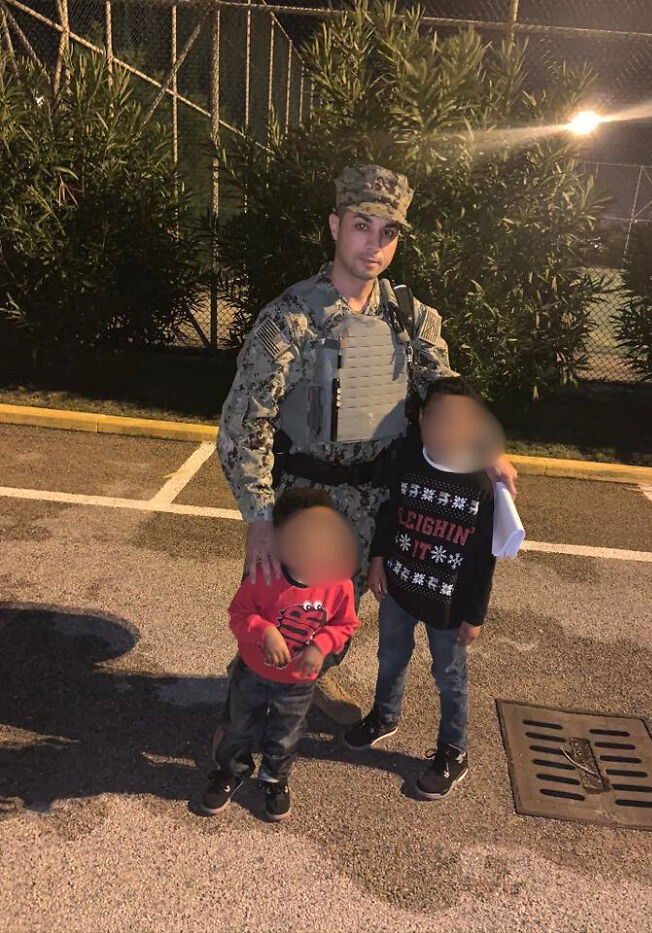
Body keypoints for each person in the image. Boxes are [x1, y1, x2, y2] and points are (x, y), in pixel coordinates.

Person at [217, 163, 517, 720]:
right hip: (301, 500)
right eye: (362, 225)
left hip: (376, 503)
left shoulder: (410, 317)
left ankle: (315, 678)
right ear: (334, 226)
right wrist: (259, 517)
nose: (374, 244)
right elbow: (243, 425)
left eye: (389, 232)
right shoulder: (290, 319)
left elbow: (443, 390)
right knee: (276, 613)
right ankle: (242, 723)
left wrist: (484, 447)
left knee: (336, 615)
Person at [344, 377, 500, 800]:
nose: (444, 429)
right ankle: (385, 715)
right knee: (390, 656)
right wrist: (378, 558)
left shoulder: (481, 485)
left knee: (448, 677)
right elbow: (390, 512)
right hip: (399, 587)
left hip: (448, 605)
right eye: (436, 418)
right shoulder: (410, 459)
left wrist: (475, 615)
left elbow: (484, 560)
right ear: (421, 421)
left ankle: (454, 750)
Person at [202, 487, 360, 821]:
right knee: (237, 726)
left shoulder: (338, 582)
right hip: (253, 672)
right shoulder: (264, 575)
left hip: (299, 681)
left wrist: (321, 646)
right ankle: (231, 771)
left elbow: (345, 624)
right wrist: (264, 630)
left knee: (286, 733)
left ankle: (275, 778)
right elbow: (239, 614)